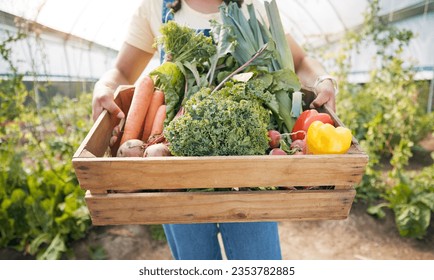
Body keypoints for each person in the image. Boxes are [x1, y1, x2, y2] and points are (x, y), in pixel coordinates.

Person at [92, 0, 338, 260]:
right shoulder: (155, 7)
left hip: (249, 174)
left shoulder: (255, 6)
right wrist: (104, 86)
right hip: (175, 172)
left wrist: (324, 80)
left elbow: (299, 62)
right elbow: (121, 71)